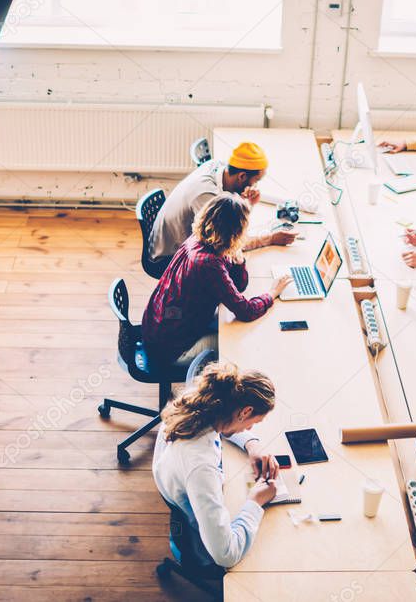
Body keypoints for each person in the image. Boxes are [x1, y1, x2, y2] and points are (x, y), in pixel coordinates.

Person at [152, 361, 281, 569]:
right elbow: (225, 555)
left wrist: (251, 443)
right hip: (203, 543)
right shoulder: (201, 467)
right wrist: (256, 502)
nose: (250, 427)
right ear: (245, 411)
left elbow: (226, 422)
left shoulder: (196, 402)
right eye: (254, 423)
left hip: (185, 495)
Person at [142, 192, 293, 370]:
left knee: (231, 323)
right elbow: (245, 311)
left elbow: (239, 286)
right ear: (235, 233)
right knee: (238, 344)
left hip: (159, 328)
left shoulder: (200, 238)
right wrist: (272, 292)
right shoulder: (208, 264)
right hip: (171, 351)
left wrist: (239, 259)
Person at [149, 141, 297, 264]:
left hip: (175, 240)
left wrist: (247, 204)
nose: (256, 186)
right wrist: (270, 239)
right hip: (169, 257)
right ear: (242, 176)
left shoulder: (216, 166)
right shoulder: (207, 196)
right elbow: (225, 243)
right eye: (256, 181)